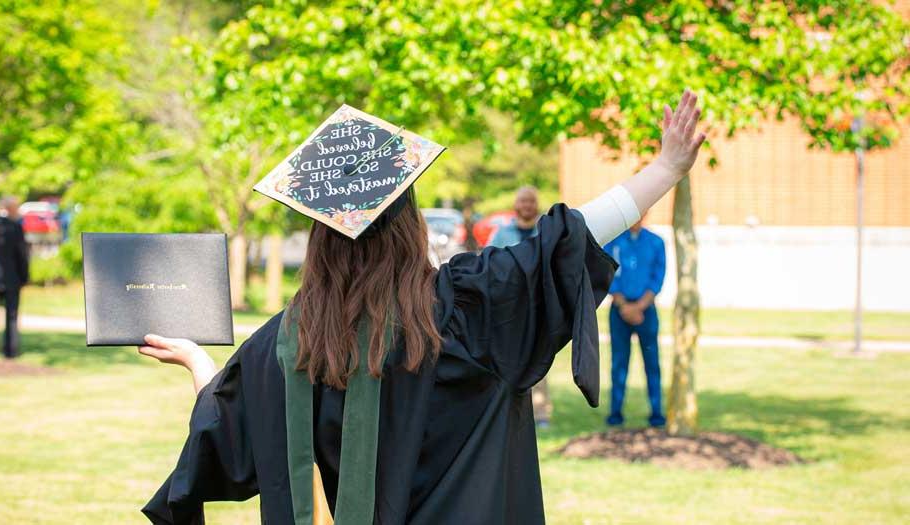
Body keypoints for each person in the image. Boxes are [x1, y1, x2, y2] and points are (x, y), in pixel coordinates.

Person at [138, 90, 705, 524]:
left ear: (318, 236)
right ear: (410, 224)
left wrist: (201, 367)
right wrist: (667, 168)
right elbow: (568, 239)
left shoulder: (288, 343)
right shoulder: (466, 310)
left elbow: (229, 433)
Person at [487, 186, 554, 429]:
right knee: (507, 360)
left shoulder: (546, 233)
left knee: (539, 360)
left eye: (531, 201)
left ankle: (541, 413)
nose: (527, 205)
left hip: (539, 308)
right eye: (523, 201)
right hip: (510, 309)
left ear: (536, 205)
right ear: (517, 205)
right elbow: (489, 265)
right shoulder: (502, 234)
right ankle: (506, 411)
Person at [603, 215, 667, 428]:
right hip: (619, 310)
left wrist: (639, 307)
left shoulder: (656, 242)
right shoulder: (613, 242)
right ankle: (615, 413)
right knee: (619, 362)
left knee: (652, 362)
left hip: (646, 310)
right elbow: (608, 275)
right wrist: (623, 305)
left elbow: (657, 278)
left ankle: (656, 413)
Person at [0, 196, 29, 358]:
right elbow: (22, 255)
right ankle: (11, 350)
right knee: (12, 316)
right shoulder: (16, 228)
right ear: (10, 209)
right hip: (12, 278)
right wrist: (24, 277)